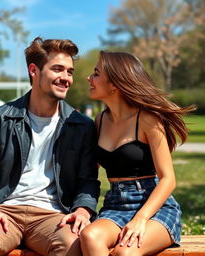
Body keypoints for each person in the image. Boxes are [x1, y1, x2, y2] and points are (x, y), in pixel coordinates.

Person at [0, 37, 100, 256]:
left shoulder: (81, 125)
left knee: (74, 244)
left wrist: (83, 210)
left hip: (54, 216)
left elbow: (88, 181)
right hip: (4, 210)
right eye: (57, 69)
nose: (66, 78)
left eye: (70, 72)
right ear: (34, 70)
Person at [80, 51, 196, 256]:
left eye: (96, 74)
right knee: (90, 236)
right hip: (115, 204)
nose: (89, 78)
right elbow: (88, 170)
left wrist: (140, 218)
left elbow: (168, 179)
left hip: (154, 208)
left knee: (124, 253)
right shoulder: (100, 120)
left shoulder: (148, 119)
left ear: (115, 83)